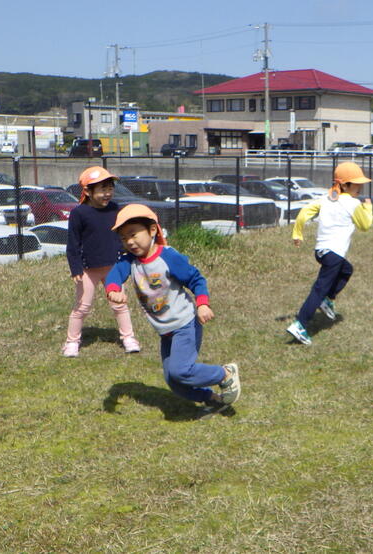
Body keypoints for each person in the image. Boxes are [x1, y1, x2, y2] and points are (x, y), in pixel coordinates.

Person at [106, 204, 240, 413]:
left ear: (152, 230)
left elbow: (196, 279)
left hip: (185, 323)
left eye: (133, 234)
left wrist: (203, 303)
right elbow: (115, 274)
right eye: (123, 238)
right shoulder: (129, 260)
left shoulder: (168, 257)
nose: (129, 242)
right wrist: (113, 289)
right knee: (174, 381)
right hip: (165, 330)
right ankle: (214, 400)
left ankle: (225, 374)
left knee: (180, 371)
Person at [286, 161, 373, 345]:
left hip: (321, 252)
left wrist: (298, 233)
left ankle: (328, 299)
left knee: (347, 270)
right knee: (318, 290)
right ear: (343, 184)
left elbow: (303, 213)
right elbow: (365, 225)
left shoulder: (325, 199)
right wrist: (368, 207)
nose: (360, 186)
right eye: (356, 183)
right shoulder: (353, 203)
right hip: (334, 254)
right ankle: (300, 324)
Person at [62, 166, 140, 358]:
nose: (108, 194)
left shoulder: (114, 209)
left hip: (113, 266)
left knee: (119, 304)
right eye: (103, 189)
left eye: (110, 188)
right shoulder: (79, 213)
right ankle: (72, 342)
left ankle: (128, 338)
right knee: (82, 306)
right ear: (88, 191)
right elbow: (73, 243)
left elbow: (121, 234)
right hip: (88, 269)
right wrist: (76, 268)